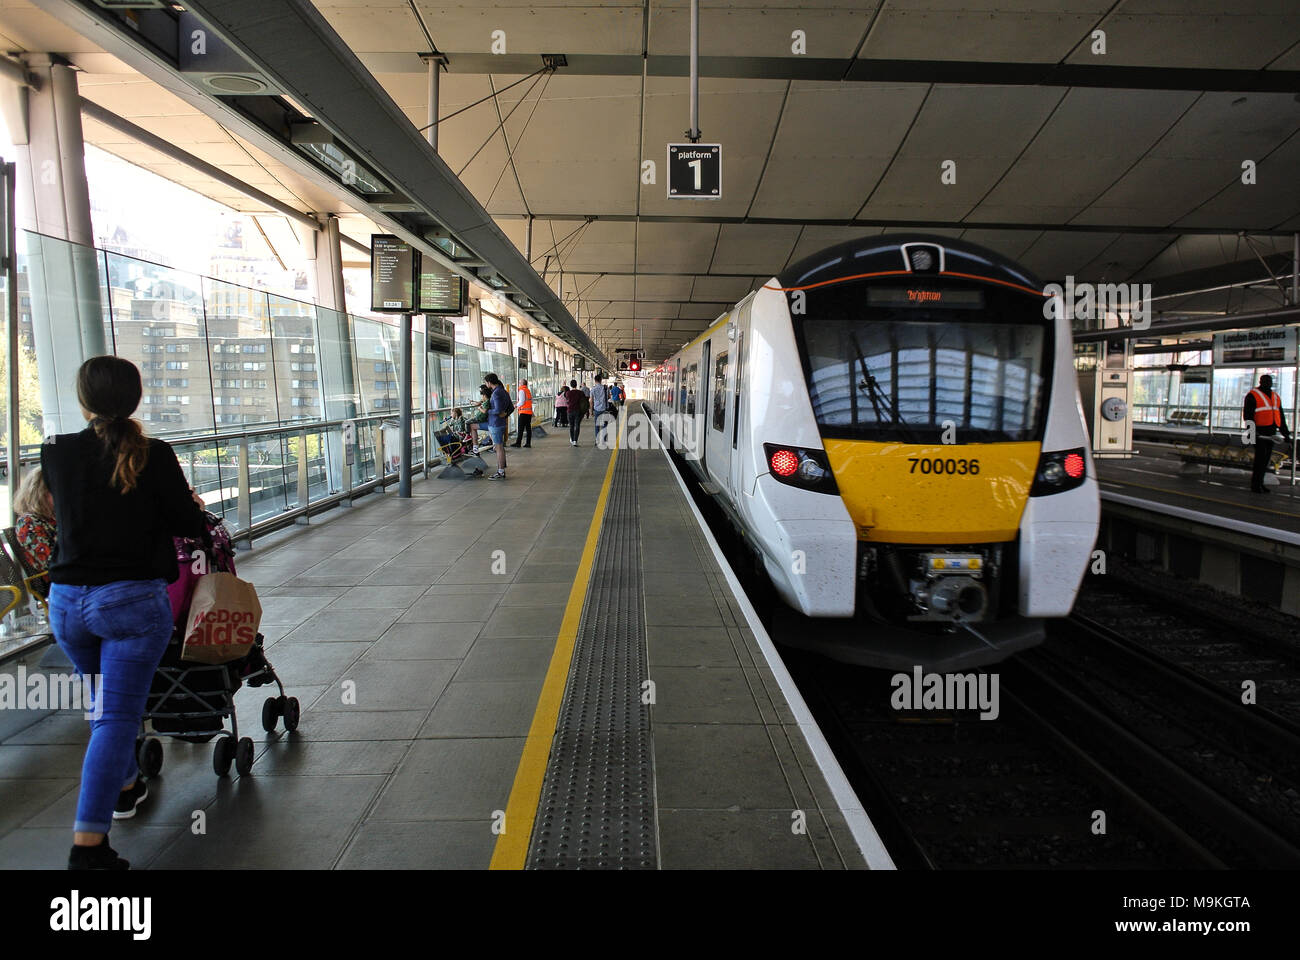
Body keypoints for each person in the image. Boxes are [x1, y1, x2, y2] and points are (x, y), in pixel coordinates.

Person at [41, 355, 207, 870]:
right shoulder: (154, 455)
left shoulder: (56, 452)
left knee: (102, 705)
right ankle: (88, 847)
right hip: (131, 603)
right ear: (134, 398)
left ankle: (128, 780)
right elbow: (188, 522)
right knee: (115, 717)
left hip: (67, 603)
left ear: (84, 400)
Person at [1243, 374, 1292, 494]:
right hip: (1259, 433)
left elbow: (1280, 416)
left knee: (1265, 459)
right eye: (1266, 381)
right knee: (1260, 458)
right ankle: (1255, 485)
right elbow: (1248, 415)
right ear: (1261, 382)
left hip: (1271, 432)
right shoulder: (1252, 395)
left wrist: (1285, 434)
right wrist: (1252, 432)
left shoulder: (1275, 397)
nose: (1268, 383)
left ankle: (1260, 483)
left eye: (1270, 381)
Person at [12, 466, 57, 596]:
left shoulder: (53, 517)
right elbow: (51, 561)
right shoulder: (28, 523)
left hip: (74, 576)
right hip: (56, 583)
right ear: (41, 493)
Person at [483, 372, 510, 479]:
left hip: (496, 423)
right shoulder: (503, 391)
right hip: (500, 423)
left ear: (489, 382)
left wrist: (487, 411)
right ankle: (501, 469)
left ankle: (500, 471)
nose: (485, 384)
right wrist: (506, 414)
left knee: (498, 448)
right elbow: (510, 407)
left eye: (486, 382)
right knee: (499, 447)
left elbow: (498, 410)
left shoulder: (496, 393)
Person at [512, 378, 534, 449]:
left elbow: (522, 401)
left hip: (523, 412)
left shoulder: (521, 390)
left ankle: (518, 443)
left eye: (519, 382)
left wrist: (515, 405)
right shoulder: (527, 390)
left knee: (520, 428)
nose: (518, 383)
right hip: (529, 412)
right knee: (528, 428)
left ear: (522, 383)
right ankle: (528, 443)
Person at [566, 378, 588, 446]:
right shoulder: (580, 392)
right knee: (577, 425)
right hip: (578, 411)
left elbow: (567, 400)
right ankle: (575, 440)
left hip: (570, 411)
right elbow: (584, 400)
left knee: (571, 426)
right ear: (576, 385)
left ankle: (572, 439)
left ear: (570, 385)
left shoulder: (568, 393)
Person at [591, 373, 610, 444]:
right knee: (605, 425)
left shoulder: (593, 389)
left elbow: (591, 401)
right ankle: (604, 440)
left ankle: (597, 440)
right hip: (605, 409)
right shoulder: (605, 388)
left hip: (597, 409)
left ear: (595, 380)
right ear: (601, 380)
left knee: (597, 425)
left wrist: (591, 411)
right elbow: (609, 397)